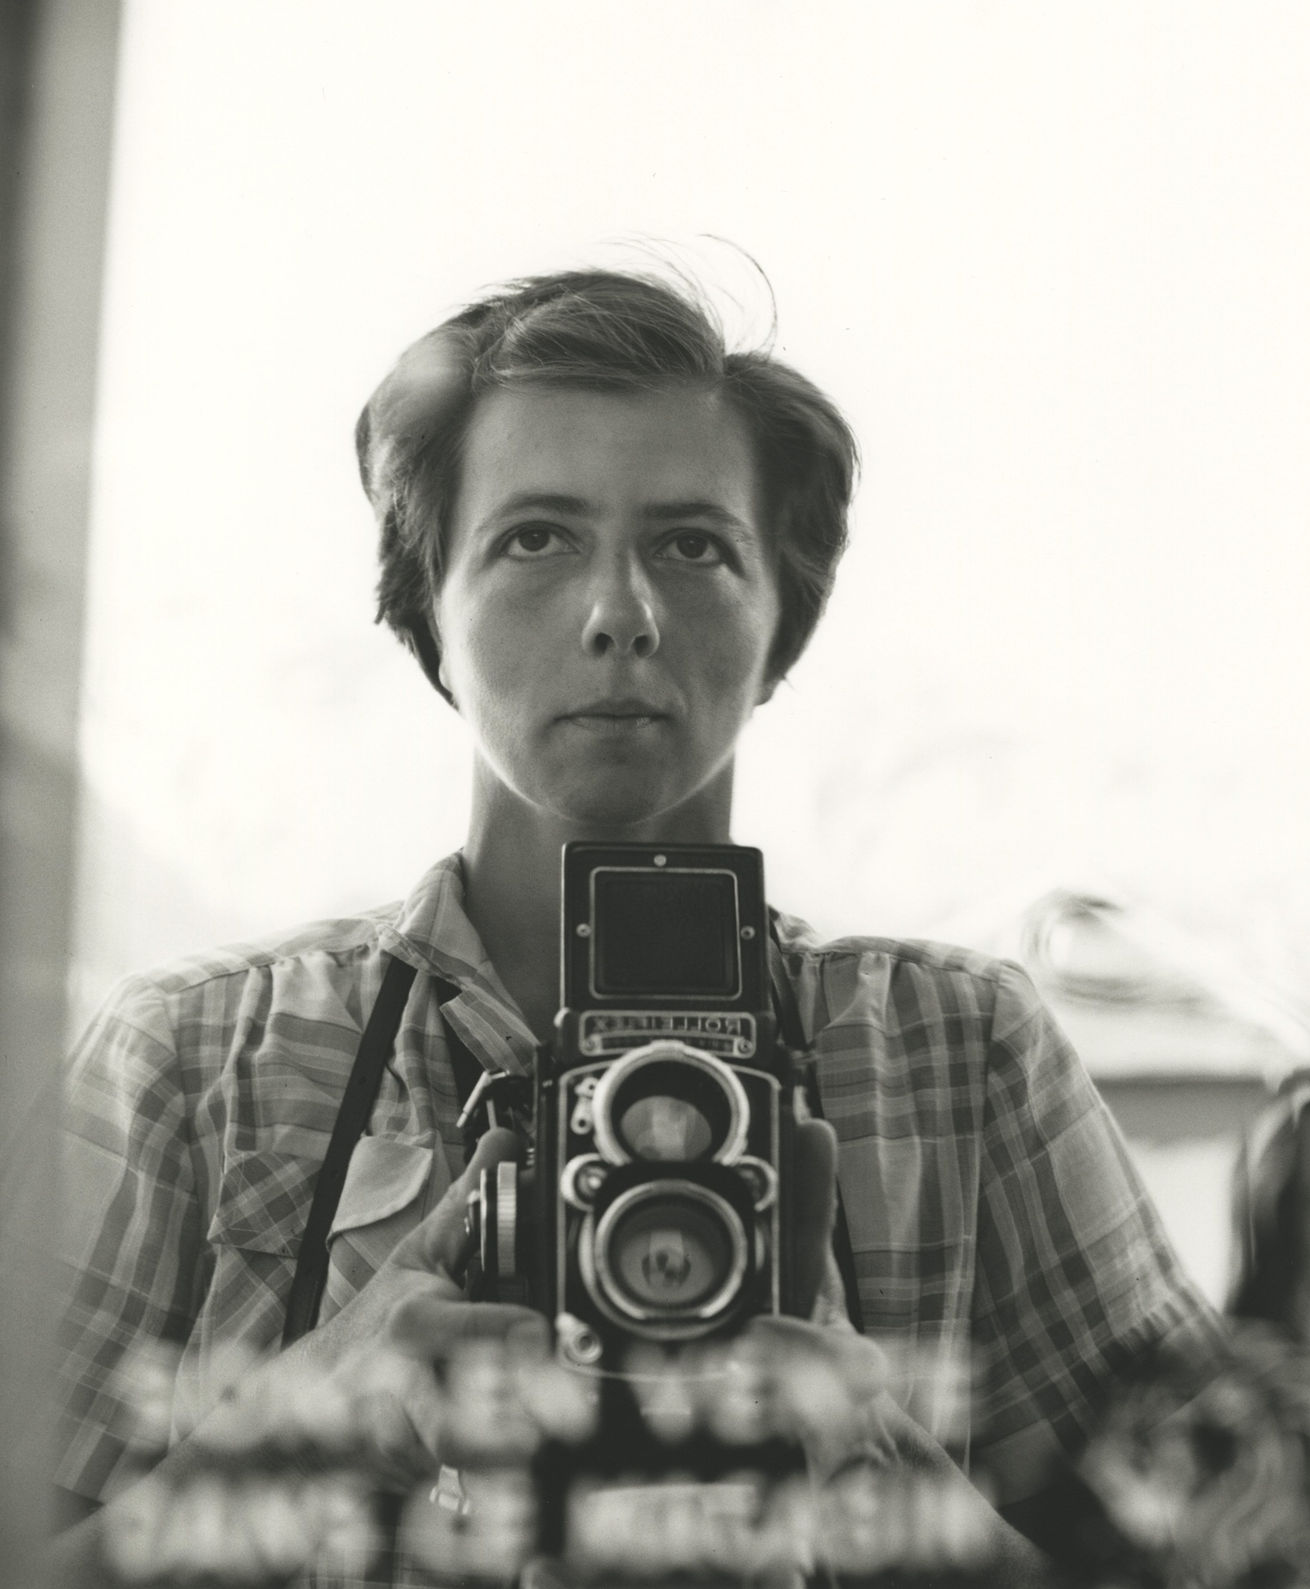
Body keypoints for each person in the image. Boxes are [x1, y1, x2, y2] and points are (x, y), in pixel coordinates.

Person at [53, 268, 1213, 1585]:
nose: (620, 613)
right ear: (430, 607)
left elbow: (1247, 1559)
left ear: (785, 621)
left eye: (694, 544)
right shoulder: (196, 1061)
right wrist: (316, 1432)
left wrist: (877, 1479)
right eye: (536, 538)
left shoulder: (963, 1053)